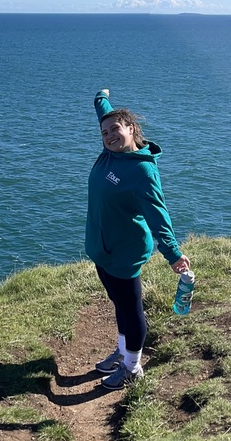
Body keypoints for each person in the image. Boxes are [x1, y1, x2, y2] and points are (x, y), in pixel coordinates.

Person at [86, 88, 190, 390]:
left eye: (116, 129)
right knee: (118, 302)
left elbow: (159, 216)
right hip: (101, 249)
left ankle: (132, 367)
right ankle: (122, 352)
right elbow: (104, 113)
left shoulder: (142, 171)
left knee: (131, 310)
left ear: (131, 129)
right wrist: (100, 97)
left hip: (124, 254)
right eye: (104, 132)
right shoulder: (110, 153)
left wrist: (172, 254)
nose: (109, 135)